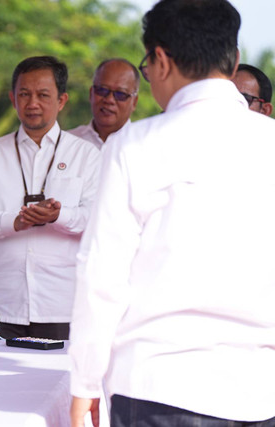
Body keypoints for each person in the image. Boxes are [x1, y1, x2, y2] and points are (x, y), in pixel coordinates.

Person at [70, 1, 275, 426]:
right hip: (260, 388)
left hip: (158, 386)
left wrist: (85, 382)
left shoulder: (135, 144)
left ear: (160, 60)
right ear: (234, 58)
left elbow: (102, 276)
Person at [0, 56, 101, 340]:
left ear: (62, 100)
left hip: (62, 304)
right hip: (1, 305)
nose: (32, 103)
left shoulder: (86, 155)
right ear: (13, 99)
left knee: (59, 383)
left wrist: (59, 216)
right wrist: (14, 221)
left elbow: (97, 219)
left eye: (43, 95)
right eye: (24, 94)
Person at [67, 58, 139, 148]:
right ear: (91, 93)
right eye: (102, 90)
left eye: (120, 94)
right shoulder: (67, 143)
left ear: (134, 102)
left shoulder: (146, 146)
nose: (109, 100)